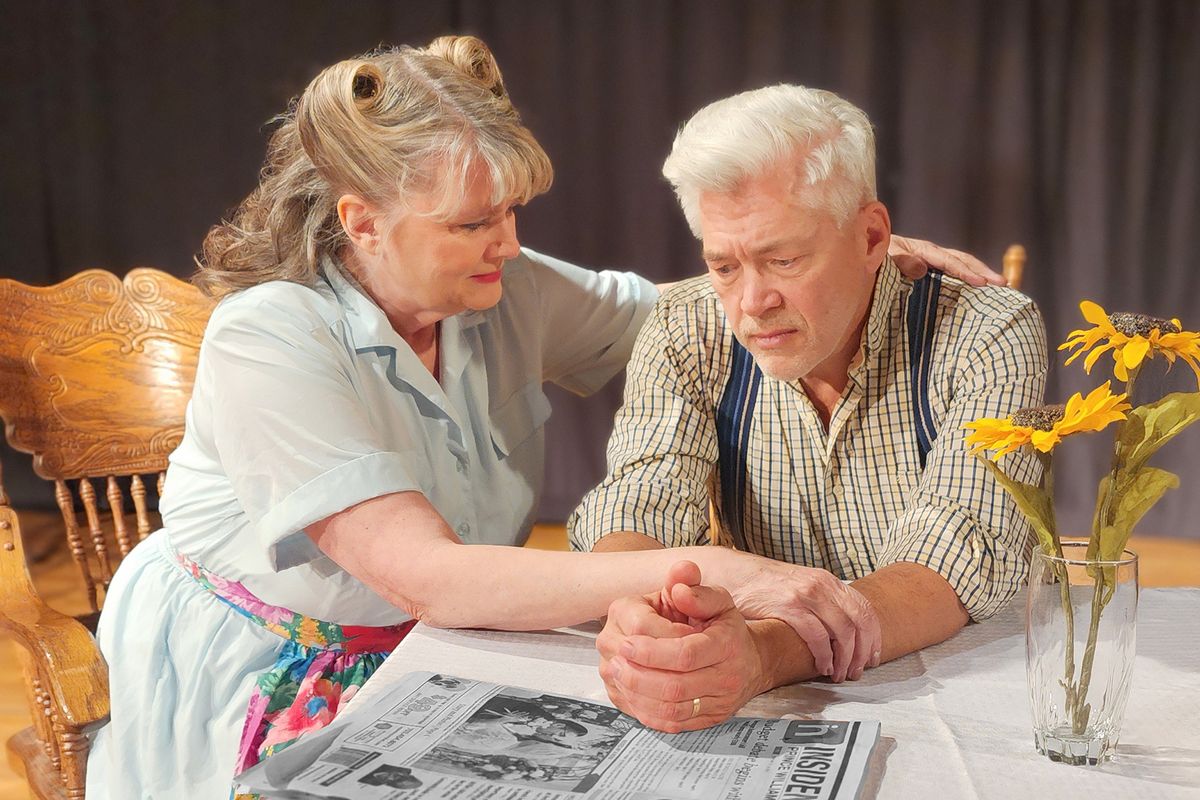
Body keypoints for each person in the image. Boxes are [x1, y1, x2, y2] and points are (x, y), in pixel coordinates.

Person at [86, 38, 1005, 798]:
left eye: (512, 211)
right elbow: (429, 579)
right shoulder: (268, 338)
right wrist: (730, 570)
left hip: (447, 653)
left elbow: (701, 314)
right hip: (269, 670)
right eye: (471, 222)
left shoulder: (502, 290)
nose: (511, 243)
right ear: (363, 222)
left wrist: (855, 259)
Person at [569, 84, 1047, 732]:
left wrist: (763, 654)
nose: (751, 303)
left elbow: (951, 557)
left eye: (784, 259)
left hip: (959, 693)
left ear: (873, 236)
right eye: (724, 266)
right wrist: (635, 613)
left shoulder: (986, 332)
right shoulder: (685, 328)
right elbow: (642, 498)